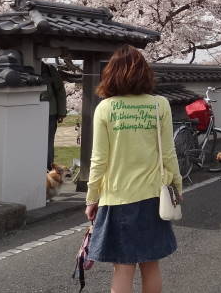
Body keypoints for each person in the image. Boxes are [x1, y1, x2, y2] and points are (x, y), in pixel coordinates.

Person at [85, 45, 182, 293]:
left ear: (112, 73)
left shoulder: (105, 108)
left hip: (117, 198)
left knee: (123, 267)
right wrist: (177, 188)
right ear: (144, 73)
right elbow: (168, 153)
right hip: (153, 197)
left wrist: (92, 197)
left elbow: (99, 160)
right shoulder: (159, 105)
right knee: (150, 264)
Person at [40, 61, 67, 171]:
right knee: (48, 142)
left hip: (50, 112)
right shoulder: (49, 69)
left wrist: (61, 112)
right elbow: (60, 90)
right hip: (46, 111)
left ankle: (48, 167)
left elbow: (60, 90)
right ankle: (47, 167)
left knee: (48, 142)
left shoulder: (49, 69)